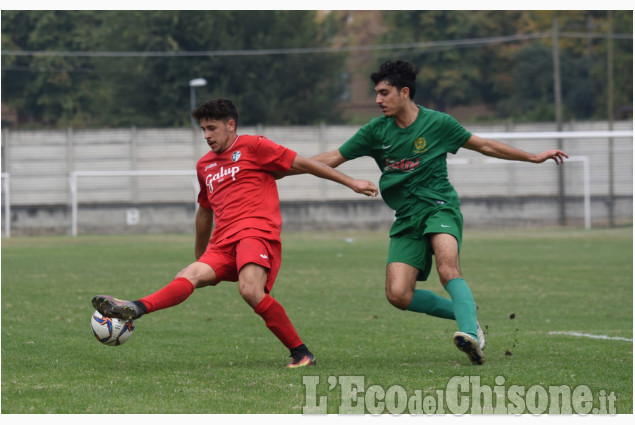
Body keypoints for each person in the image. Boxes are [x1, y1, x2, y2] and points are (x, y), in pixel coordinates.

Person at [304, 60, 569, 365]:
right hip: (406, 217)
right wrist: (287, 166)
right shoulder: (376, 131)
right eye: (376, 93)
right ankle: (466, 311)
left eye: (384, 92)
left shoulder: (439, 123)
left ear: (404, 92)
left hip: (439, 205)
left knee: (448, 269)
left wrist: (533, 157)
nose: (377, 100)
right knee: (398, 295)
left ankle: (470, 332)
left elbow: (484, 146)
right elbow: (334, 157)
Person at [92, 97, 379, 368]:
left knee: (249, 289)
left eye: (212, 128)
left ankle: (301, 353)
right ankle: (136, 307)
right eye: (203, 129)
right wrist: (201, 255)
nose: (206, 135)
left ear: (231, 125)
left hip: (256, 232)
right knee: (187, 275)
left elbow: (305, 164)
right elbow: (204, 212)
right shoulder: (204, 165)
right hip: (222, 241)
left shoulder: (255, 146)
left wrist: (351, 182)